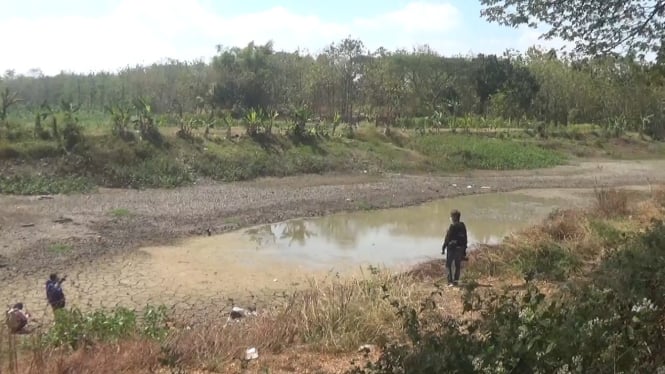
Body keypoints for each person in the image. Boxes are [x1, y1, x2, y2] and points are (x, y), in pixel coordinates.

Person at [441, 209, 468, 287]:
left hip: (452, 248)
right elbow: (465, 238)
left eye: (451, 216)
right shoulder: (463, 225)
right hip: (460, 248)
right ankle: (456, 282)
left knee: (448, 265)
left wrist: (443, 248)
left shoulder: (452, 226)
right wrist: (464, 250)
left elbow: (447, 239)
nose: (451, 218)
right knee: (457, 265)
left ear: (454, 217)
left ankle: (450, 282)